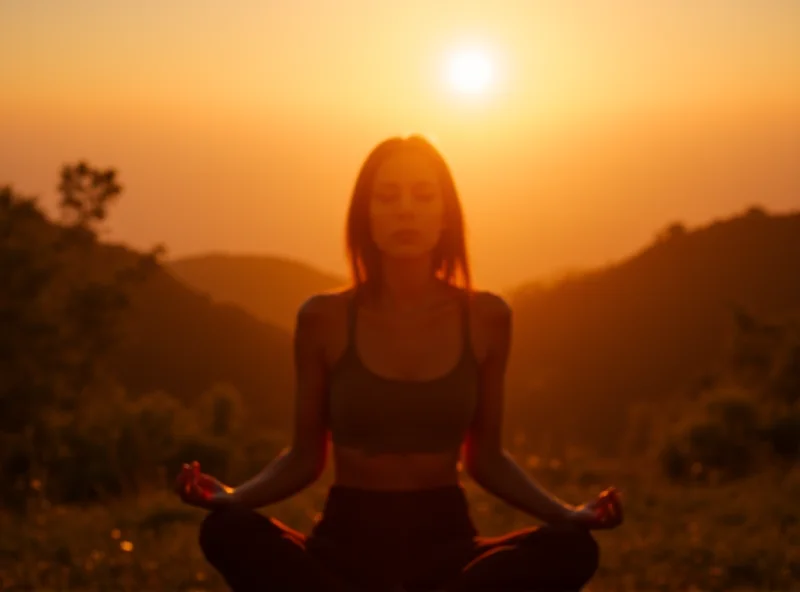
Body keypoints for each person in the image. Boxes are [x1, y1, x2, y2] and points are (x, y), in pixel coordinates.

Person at [175, 134, 623, 592]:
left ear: (445, 214)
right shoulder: (323, 319)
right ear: (365, 216)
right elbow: (305, 458)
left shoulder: (487, 318)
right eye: (387, 197)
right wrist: (231, 497)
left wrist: (566, 514)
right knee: (225, 530)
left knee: (574, 545)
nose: (406, 210)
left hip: (448, 545)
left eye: (423, 195)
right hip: (343, 546)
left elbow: (486, 458)